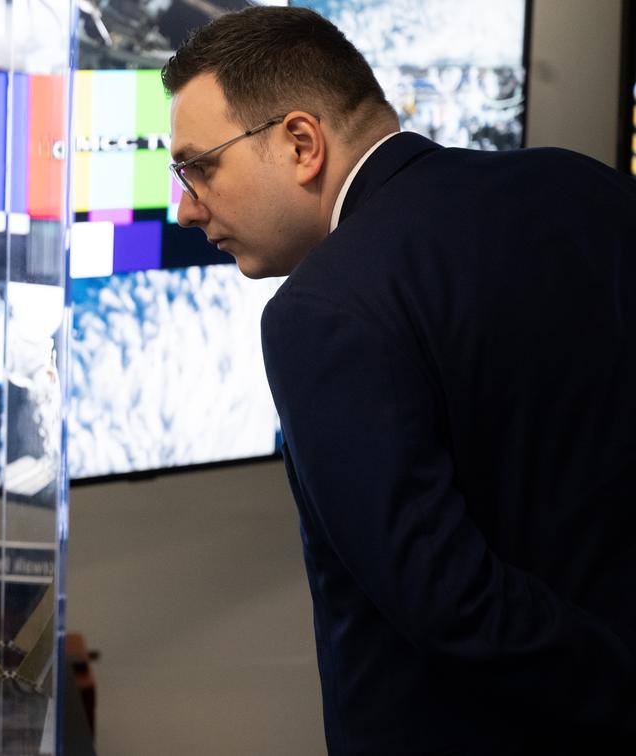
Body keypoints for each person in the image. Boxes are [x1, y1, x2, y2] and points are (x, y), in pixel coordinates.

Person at [162, 6, 636, 755]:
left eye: (198, 166)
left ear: (300, 142)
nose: (185, 208)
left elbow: (450, 603)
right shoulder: (588, 190)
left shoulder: (321, 310)